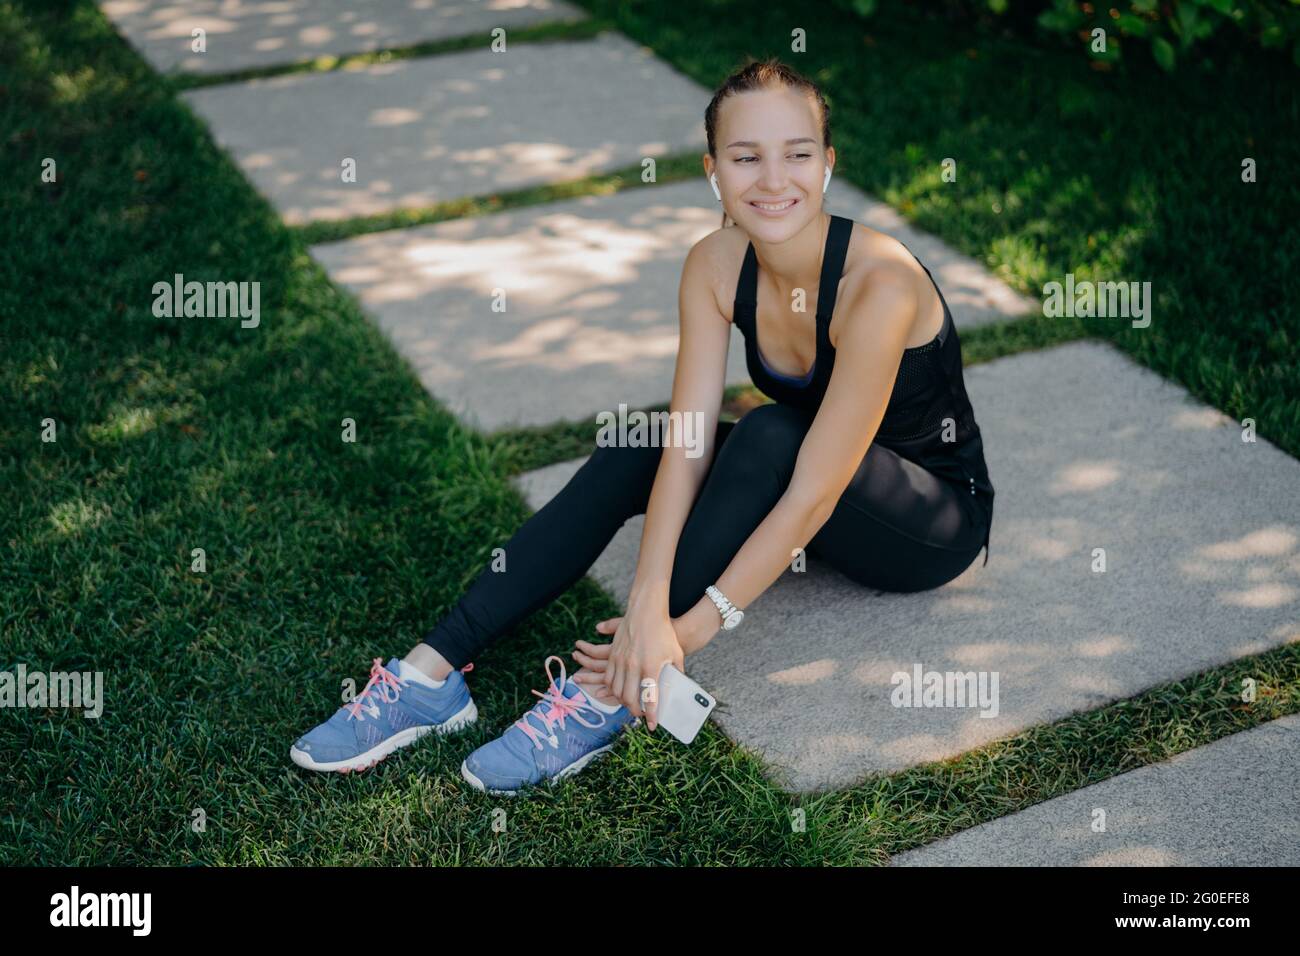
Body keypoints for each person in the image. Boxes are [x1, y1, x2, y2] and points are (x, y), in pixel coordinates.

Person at [290, 56, 995, 796]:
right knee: (643, 442)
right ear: (714, 170)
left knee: (767, 433)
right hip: (805, 484)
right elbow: (685, 442)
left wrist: (673, 636)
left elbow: (814, 494)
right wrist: (647, 598)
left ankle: (614, 691)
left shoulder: (878, 286)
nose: (773, 179)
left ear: (827, 165)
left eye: (797, 153)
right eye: (745, 156)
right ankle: (431, 674)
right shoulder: (716, 264)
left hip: (929, 524)